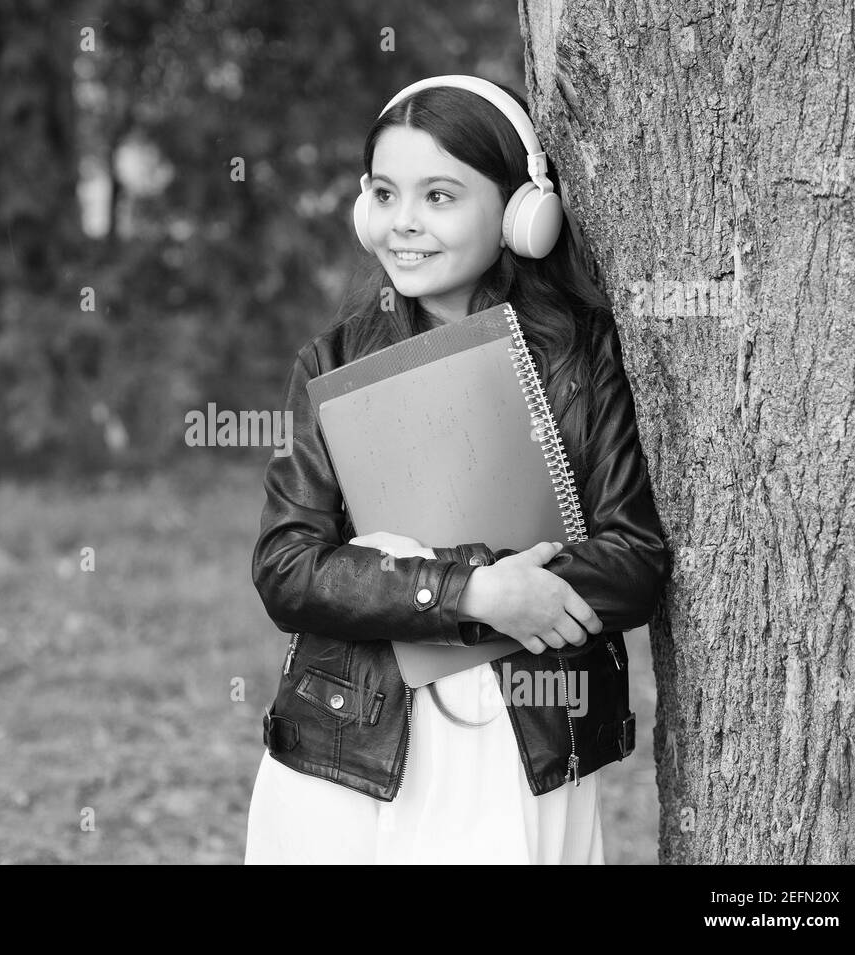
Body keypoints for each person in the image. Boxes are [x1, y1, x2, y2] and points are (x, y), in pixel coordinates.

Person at [243, 76, 672, 864]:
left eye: (439, 195)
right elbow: (286, 567)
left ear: (521, 212)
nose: (402, 222)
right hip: (350, 756)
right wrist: (473, 592)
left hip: (524, 750)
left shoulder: (583, 356)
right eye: (384, 192)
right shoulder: (332, 361)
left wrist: (511, 592)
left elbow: (636, 560)